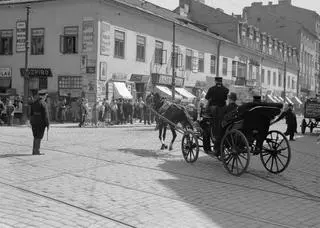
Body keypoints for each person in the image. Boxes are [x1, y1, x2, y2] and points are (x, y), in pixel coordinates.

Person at [203, 77, 229, 155]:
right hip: (222, 111)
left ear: (215, 81)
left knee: (205, 125)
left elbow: (206, 97)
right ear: (221, 81)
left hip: (213, 111)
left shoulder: (211, 89)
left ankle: (209, 144)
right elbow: (225, 98)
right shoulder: (226, 90)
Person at [30, 90, 50, 155]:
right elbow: (46, 115)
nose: (46, 98)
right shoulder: (43, 103)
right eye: (46, 96)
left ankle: (34, 150)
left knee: (35, 136)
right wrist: (47, 123)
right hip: (41, 122)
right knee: (39, 136)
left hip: (34, 122)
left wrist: (31, 121)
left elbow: (31, 113)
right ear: (44, 96)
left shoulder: (34, 102)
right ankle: (37, 151)